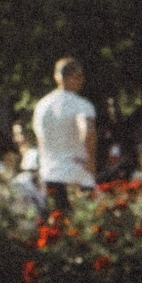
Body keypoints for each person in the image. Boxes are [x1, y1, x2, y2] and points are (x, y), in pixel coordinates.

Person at [32, 58, 99, 216]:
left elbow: (41, 141)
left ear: (56, 77)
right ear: (73, 77)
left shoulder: (42, 106)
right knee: (83, 227)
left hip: (49, 175)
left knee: (55, 228)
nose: (82, 80)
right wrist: (90, 163)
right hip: (76, 175)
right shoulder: (81, 105)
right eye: (79, 76)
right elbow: (88, 130)